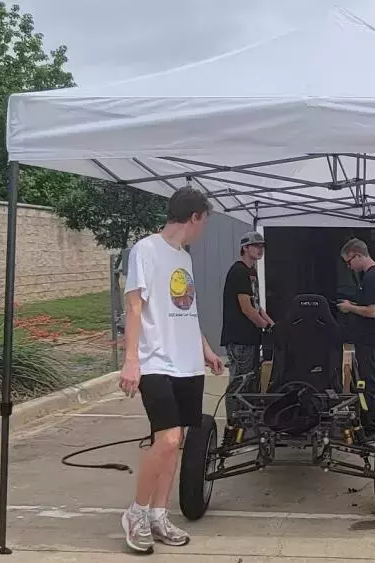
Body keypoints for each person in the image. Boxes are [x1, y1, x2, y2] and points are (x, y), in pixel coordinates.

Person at [118, 187, 225, 553]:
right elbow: (134, 307)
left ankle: (159, 514)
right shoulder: (145, 250)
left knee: (176, 444)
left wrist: (206, 348)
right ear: (194, 216)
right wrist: (131, 359)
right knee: (166, 439)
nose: (202, 229)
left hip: (187, 363)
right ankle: (136, 512)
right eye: (203, 222)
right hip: (156, 360)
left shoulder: (185, 258)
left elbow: (186, 310)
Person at [220, 231, 274, 446]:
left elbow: (257, 306)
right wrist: (264, 327)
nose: (260, 249)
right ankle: (233, 428)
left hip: (251, 338)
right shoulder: (239, 272)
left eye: (262, 246)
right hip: (239, 337)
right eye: (255, 246)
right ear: (245, 248)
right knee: (239, 383)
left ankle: (246, 427)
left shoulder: (252, 272)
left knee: (250, 381)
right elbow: (246, 308)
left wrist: (272, 325)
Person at [337, 238, 375, 439]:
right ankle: (372, 424)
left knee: (373, 386)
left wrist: (349, 307)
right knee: (370, 384)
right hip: (374, 340)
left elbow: (372, 311)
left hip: (373, 342)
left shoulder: (372, 277)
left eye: (349, 261)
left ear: (358, 254)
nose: (349, 266)